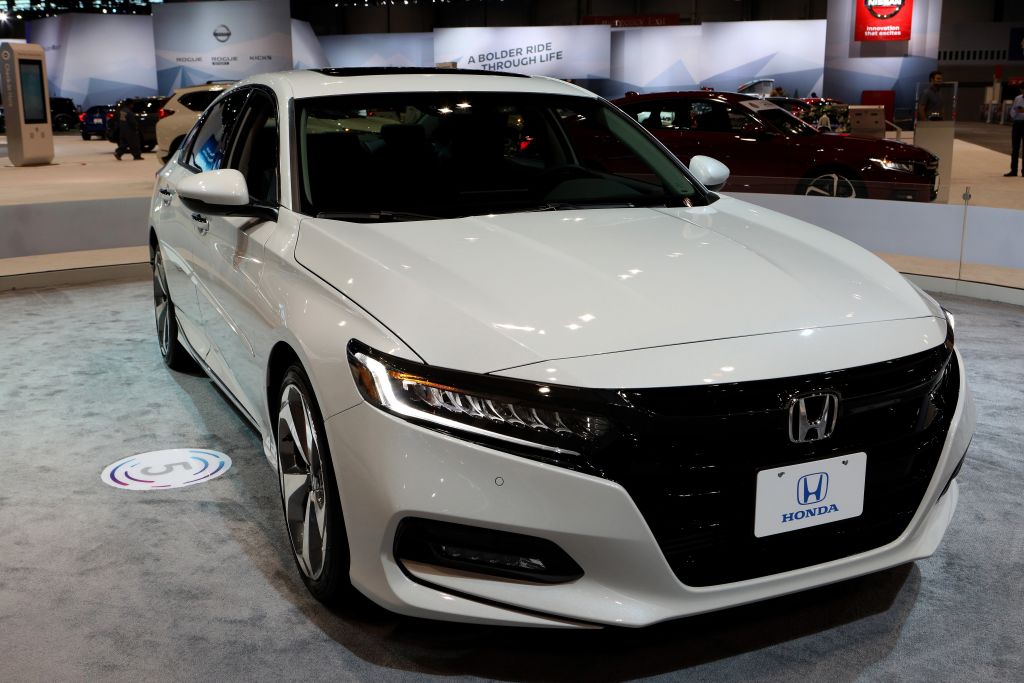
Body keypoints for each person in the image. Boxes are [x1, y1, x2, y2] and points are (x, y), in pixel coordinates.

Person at [1005, 85, 1024, 177]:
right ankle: (1013, 170)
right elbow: (1013, 109)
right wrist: (1014, 113)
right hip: (1017, 123)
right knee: (1015, 148)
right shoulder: (1017, 98)